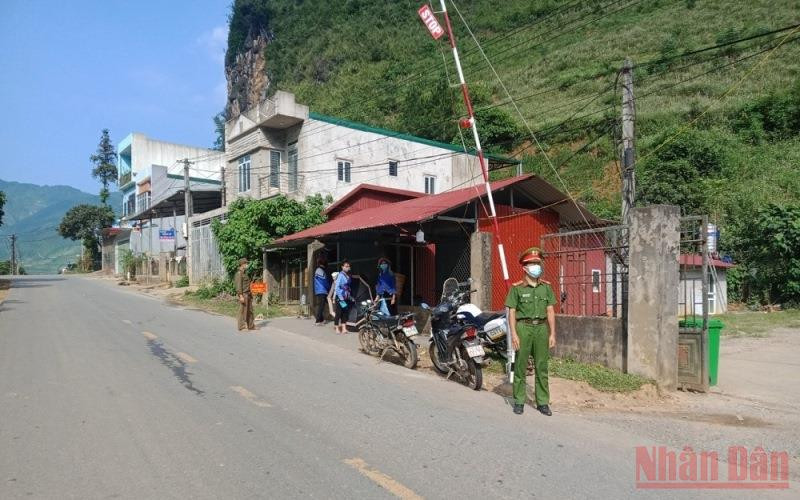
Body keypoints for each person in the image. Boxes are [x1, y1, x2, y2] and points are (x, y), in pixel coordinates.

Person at [505, 247, 556, 416]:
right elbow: (512, 312)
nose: (536, 267)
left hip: (541, 329)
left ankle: (543, 402)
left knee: (542, 366)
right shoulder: (517, 288)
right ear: (525, 267)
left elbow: (550, 310)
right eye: (533, 263)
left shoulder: (546, 287)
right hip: (523, 328)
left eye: (538, 263)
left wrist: (552, 333)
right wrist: (514, 334)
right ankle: (519, 401)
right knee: (520, 365)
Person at [234, 257, 256, 331]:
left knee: (250, 310)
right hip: (243, 294)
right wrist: (240, 296)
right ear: (242, 264)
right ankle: (241, 326)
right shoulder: (239, 273)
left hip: (248, 294)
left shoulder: (244, 273)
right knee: (243, 311)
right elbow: (238, 285)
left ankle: (251, 326)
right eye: (246, 263)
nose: (247, 265)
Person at [332, 260, 353, 334]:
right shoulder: (340, 275)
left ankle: (344, 328)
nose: (347, 268)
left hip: (346, 297)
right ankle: (337, 327)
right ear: (342, 267)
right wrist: (341, 298)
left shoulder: (348, 275)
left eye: (348, 266)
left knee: (344, 313)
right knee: (338, 313)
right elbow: (337, 287)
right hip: (340, 298)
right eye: (346, 266)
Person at [313, 257, 331, 326]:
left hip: (320, 290)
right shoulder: (320, 270)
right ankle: (317, 321)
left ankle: (321, 320)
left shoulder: (319, 270)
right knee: (321, 306)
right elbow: (324, 281)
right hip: (322, 290)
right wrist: (329, 287)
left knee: (322, 305)